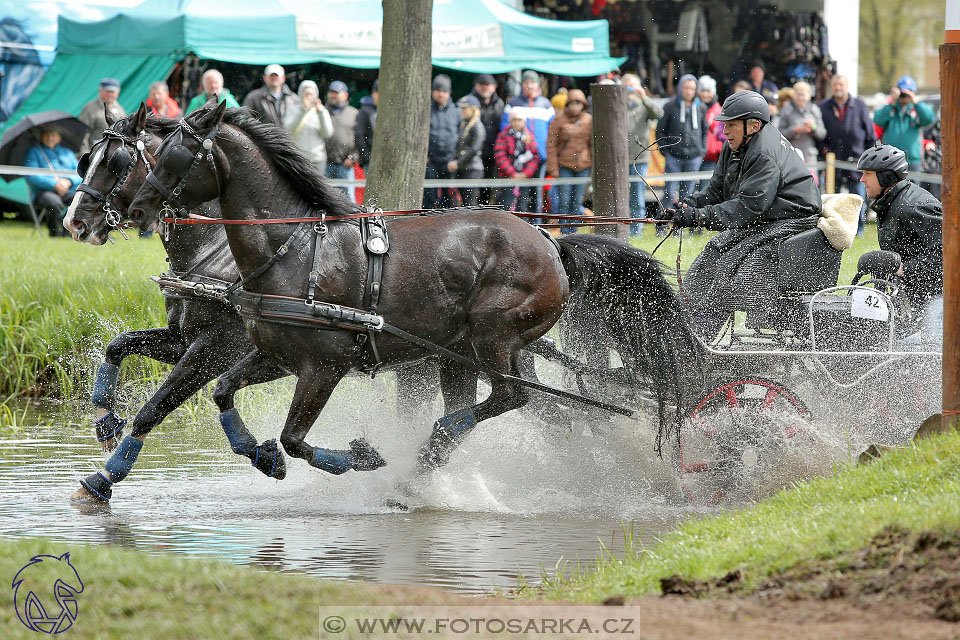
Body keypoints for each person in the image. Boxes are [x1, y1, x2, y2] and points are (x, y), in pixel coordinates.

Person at [669, 91, 822, 339]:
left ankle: (700, 340)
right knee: (714, 251)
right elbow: (717, 191)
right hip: (768, 217)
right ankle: (682, 329)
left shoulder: (763, 153)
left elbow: (749, 208)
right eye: (724, 124)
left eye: (730, 124)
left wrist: (699, 217)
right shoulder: (735, 146)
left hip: (793, 222)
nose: (724, 130)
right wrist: (686, 207)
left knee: (727, 269)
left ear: (753, 125)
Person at [857, 142, 942, 322]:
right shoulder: (890, 203)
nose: (861, 179)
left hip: (942, 300)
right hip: (915, 298)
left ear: (886, 177)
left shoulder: (913, 206)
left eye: (867, 174)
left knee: (927, 344)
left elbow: (951, 254)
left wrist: (904, 269)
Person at [819, 75, 876, 235]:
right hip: (832, 162)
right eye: (835, 85)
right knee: (832, 199)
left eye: (841, 85)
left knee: (857, 198)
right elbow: (820, 135)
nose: (838, 88)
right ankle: (835, 230)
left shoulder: (859, 105)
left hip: (856, 161)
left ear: (846, 86)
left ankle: (858, 229)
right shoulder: (824, 107)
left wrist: (868, 158)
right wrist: (823, 149)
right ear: (832, 86)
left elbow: (870, 136)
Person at [655, 74, 707, 236]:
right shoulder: (670, 106)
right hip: (674, 157)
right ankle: (662, 227)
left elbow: (704, 131)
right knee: (669, 194)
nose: (689, 91)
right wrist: (665, 150)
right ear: (681, 88)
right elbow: (660, 130)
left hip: (693, 157)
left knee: (687, 196)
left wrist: (701, 151)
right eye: (686, 88)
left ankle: (681, 228)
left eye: (692, 88)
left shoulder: (701, 107)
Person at [501, 71, 555, 211]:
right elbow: (505, 129)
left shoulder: (546, 104)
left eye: (532, 82)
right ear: (522, 84)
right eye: (526, 82)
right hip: (519, 159)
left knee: (537, 193)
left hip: (541, 157)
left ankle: (537, 223)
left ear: (537, 84)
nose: (529, 85)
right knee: (519, 194)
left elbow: (553, 131)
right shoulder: (513, 103)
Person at [546, 89, 592, 234]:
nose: (575, 106)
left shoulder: (589, 120)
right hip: (564, 165)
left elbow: (593, 145)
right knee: (563, 201)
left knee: (577, 201)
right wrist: (553, 168)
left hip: (584, 166)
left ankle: (573, 232)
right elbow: (551, 145)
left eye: (578, 103)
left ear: (583, 105)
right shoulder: (558, 120)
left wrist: (593, 166)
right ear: (567, 104)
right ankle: (564, 231)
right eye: (572, 103)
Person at [623, 73, 663, 235]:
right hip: (621, 159)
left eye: (633, 85)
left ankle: (636, 231)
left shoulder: (644, 105)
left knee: (638, 196)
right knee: (622, 197)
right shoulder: (620, 105)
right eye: (627, 86)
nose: (630, 89)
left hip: (640, 157)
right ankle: (623, 228)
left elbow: (659, 114)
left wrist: (644, 97)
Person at [24, 126, 81, 237]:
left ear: (59, 138)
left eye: (53, 135)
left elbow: (80, 173)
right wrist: (54, 185)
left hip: (68, 190)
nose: (50, 138)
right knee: (53, 202)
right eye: (47, 135)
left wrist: (69, 181)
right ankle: (54, 232)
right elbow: (31, 175)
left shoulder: (68, 153)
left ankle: (69, 232)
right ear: (41, 137)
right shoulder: (34, 152)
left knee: (79, 199)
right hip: (44, 192)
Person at [872, 75, 937, 172]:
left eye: (909, 91)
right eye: (903, 92)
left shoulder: (916, 110)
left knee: (913, 187)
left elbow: (929, 118)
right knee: (892, 187)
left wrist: (914, 101)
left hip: (913, 161)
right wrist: (892, 102)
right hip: (890, 159)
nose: (905, 95)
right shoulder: (891, 109)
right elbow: (877, 120)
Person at [465, 74, 504, 204]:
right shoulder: (468, 103)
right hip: (472, 155)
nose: (485, 87)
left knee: (487, 190)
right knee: (469, 192)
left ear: (494, 87)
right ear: (476, 86)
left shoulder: (499, 105)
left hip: (492, 155)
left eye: (488, 84)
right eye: (482, 84)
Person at [424, 74, 461, 209]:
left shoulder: (456, 111)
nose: (441, 94)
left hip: (449, 160)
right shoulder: (426, 109)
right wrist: (424, 155)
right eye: (438, 91)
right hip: (430, 160)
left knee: (449, 196)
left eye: (444, 91)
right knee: (429, 194)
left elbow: (460, 135)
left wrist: (456, 157)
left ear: (449, 93)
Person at [283, 80, 334, 174]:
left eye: (311, 94)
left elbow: (327, 133)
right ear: (300, 94)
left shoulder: (322, 111)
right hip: (298, 158)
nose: (308, 97)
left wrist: (321, 113)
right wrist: (302, 111)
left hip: (317, 159)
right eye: (305, 94)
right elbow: (288, 130)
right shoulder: (292, 110)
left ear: (316, 95)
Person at [493, 113, 540, 212]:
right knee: (506, 205)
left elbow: (534, 156)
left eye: (519, 120)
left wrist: (525, 174)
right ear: (510, 121)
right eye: (514, 120)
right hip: (507, 177)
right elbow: (500, 156)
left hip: (524, 178)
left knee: (523, 206)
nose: (517, 123)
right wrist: (512, 173)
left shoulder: (529, 136)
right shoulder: (504, 135)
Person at [446, 95, 486, 207]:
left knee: (470, 203)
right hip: (464, 168)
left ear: (473, 109)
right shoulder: (465, 124)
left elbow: (474, 149)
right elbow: (459, 147)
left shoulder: (478, 126)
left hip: (473, 169)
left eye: (465, 108)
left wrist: (457, 162)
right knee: (465, 203)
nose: (462, 111)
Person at [323, 80, 359, 200]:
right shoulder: (321, 111)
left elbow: (360, 139)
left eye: (337, 92)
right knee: (325, 199)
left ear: (345, 95)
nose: (333, 95)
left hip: (345, 165)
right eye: (331, 92)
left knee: (349, 200)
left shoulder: (354, 113)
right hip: (325, 164)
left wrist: (353, 158)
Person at [776, 81, 825, 164]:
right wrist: (795, 130)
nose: (800, 98)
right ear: (794, 95)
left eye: (803, 95)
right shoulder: (787, 110)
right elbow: (779, 134)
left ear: (809, 96)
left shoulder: (815, 110)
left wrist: (813, 127)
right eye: (798, 94)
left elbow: (822, 134)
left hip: (809, 156)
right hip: (791, 154)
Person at [78, 77, 126, 153]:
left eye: (113, 91)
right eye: (108, 91)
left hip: (114, 154)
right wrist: (85, 154)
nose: (110, 94)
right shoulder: (90, 108)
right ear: (100, 91)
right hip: (95, 152)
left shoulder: (120, 110)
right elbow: (82, 133)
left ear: (118, 92)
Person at [697, 74, 725, 192]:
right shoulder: (694, 108)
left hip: (711, 157)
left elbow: (722, 135)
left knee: (706, 190)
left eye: (708, 91)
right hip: (694, 155)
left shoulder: (719, 111)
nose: (705, 94)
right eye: (702, 90)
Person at [354, 79, 378, 171]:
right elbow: (359, 135)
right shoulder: (365, 111)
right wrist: (366, 156)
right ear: (374, 94)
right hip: (370, 160)